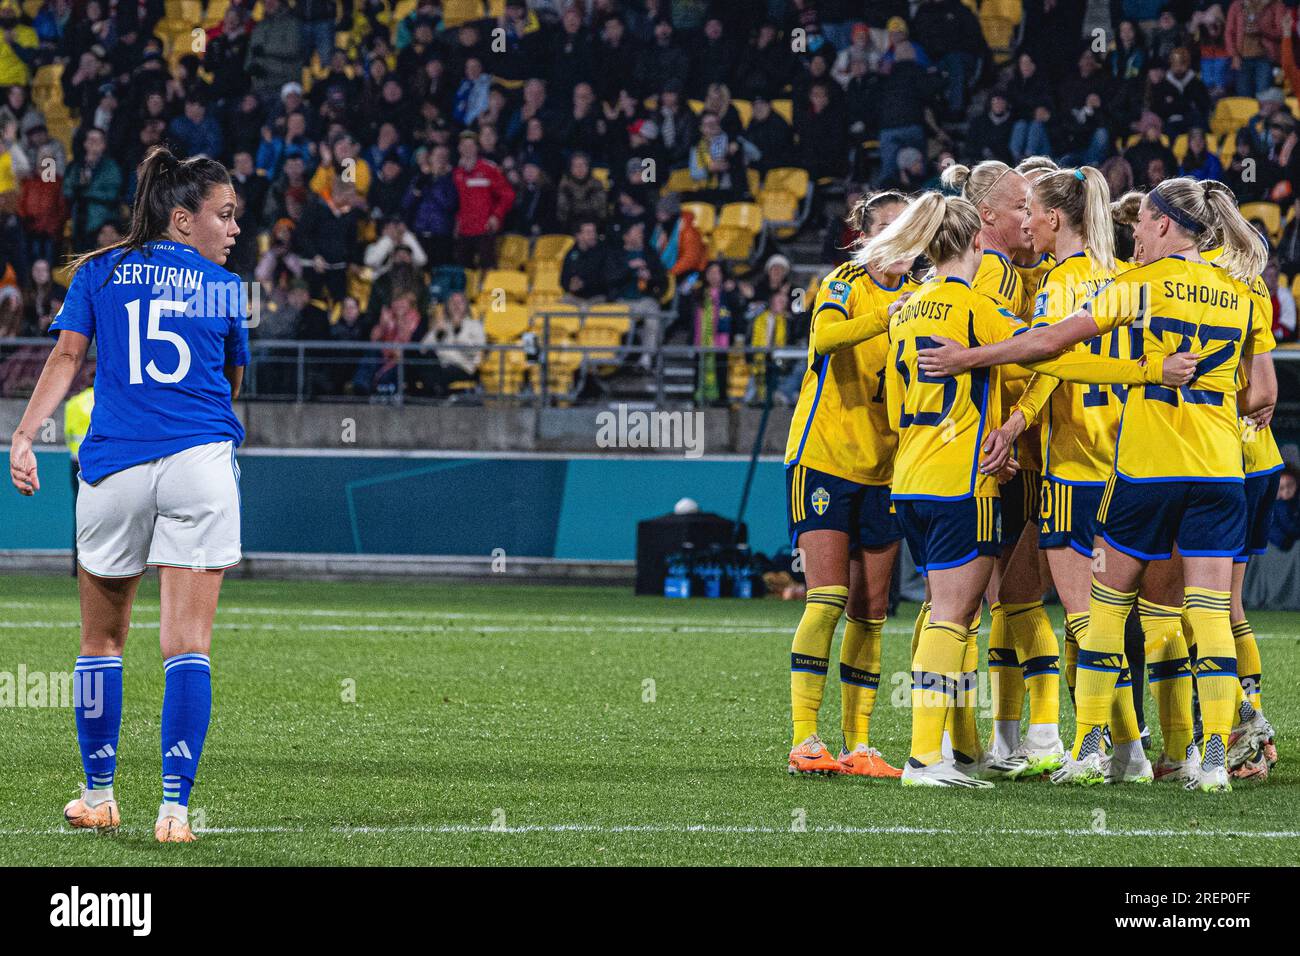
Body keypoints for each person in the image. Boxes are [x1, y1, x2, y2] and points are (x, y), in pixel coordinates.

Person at [916, 177, 1269, 792]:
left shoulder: (1135, 286)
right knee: (1209, 613)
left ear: (1162, 223)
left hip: (1143, 469)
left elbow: (1052, 343)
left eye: (1141, 223)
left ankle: (1090, 748)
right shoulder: (1238, 291)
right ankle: (1210, 759)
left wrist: (970, 359)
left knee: (1104, 611)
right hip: (1220, 472)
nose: (1132, 231)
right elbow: (1258, 392)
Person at [8, 145, 248, 842]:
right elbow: (229, 386)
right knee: (187, 644)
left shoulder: (98, 271)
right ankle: (174, 809)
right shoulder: (224, 288)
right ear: (182, 220)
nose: (233, 230)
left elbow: (65, 357)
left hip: (112, 466)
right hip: (198, 461)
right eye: (224, 215)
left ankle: (99, 794)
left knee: (100, 642)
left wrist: (25, 436)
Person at [783, 191, 916, 779]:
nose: (897, 240)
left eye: (905, 229)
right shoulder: (843, 283)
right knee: (828, 597)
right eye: (885, 229)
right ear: (864, 236)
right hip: (825, 458)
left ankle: (859, 744)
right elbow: (825, 341)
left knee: (871, 610)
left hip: (886, 467)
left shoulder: (929, 297)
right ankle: (805, 738)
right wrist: (891, 315)